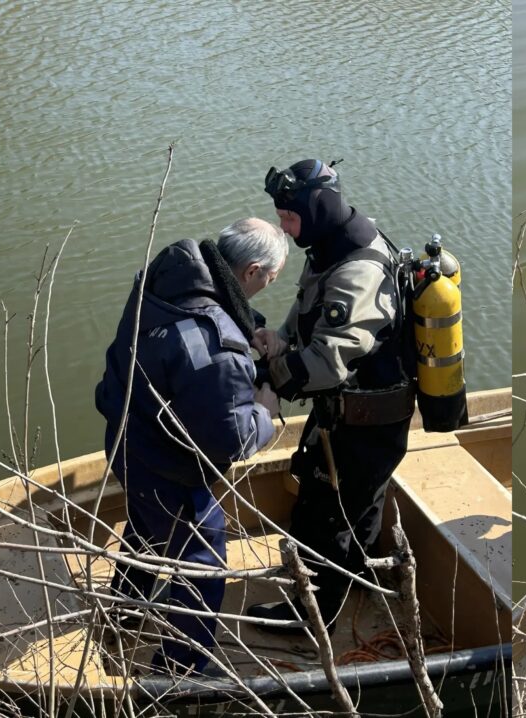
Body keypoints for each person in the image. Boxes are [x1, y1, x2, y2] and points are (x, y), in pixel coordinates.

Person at [95, 217, 287, 674]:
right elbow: (230, 438)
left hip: (127, 443)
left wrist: (248, 325)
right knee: (203, 570)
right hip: (172, 474)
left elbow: (187, 335)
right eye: (270, 280)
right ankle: (179, 670)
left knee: (144, 528)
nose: (268, 287)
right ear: (252, 271)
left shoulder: (161, 281)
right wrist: (264, 412)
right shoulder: (215, 347)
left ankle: (123, 608)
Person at [247, 158, 414, 634]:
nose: (283, 225)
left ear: (317, 207)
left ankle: (311, 617)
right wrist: (277, 342)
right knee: (355, 506)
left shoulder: (356, 271)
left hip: (365, 423)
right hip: (352, 416)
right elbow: (307, 313)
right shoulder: (329, 246)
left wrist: (270, 378)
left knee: (328, 514)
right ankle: (353, 577)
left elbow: (325, 364)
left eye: (289, 215)